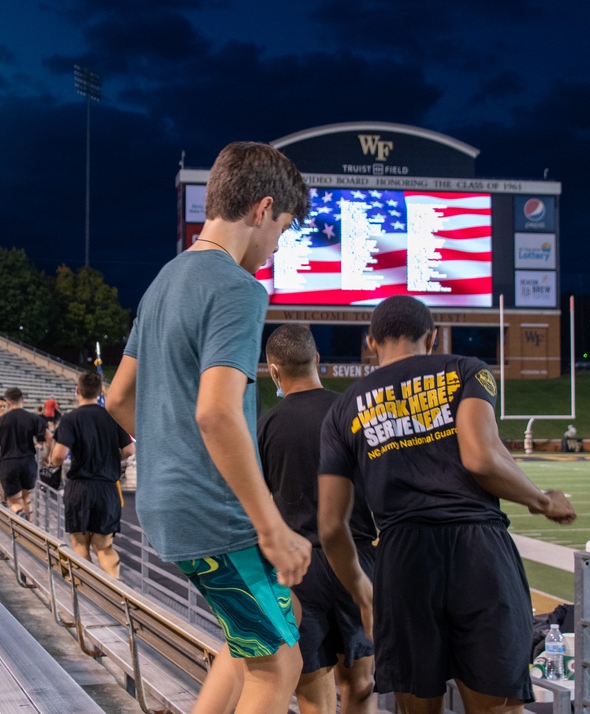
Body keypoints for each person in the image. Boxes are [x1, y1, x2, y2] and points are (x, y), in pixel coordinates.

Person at [106, 141, 312, 714]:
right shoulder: (237, 288)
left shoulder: (163, 281)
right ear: (261, 209)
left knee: (266, 627)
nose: (275, 247)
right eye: (283, 230)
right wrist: (270, 526)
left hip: (166, 506)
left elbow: (119, 398)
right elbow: (217, 412)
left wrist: (172, 457)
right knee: (279, 664)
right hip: (214, 515)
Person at [318, 295, 577, 714]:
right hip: (478, 548)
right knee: (495, 705)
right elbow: (481, 457)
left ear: (370, 342)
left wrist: (364, 596)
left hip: (402, 556)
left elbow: (331, 525)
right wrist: (541, 500)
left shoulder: (344, 408)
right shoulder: (465, 370)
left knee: (417, 704)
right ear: (433, 338)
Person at [257, 325, 376, 714]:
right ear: (317, 360)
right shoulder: (353, 414)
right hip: (355, 559)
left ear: (274, 370)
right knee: (360, 684)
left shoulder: (266, 425)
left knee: (312, 692)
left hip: (297, 570)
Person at [50, 370, 134, 579]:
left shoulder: (70, 419)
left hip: (80, 488)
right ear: (100, 391)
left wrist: (53, 462)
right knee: (104, 547)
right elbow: (129, 450)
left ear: (77, 390)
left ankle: (87, 593)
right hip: (106, 488)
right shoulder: (111, 417)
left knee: (80, 545)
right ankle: (117, 594)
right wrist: (109, 459)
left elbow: (59, 456)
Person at [0, 387, 49, 518]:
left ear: (8, 402)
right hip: (28, 462)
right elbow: (49, 438)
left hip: (9, 463)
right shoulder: (33, 418)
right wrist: (47, 456)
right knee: (26, 498)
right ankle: (30, 528)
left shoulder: (1, 421)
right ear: (23, 400)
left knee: (14, 501)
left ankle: (19, 512)